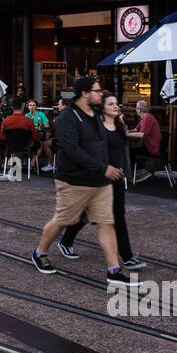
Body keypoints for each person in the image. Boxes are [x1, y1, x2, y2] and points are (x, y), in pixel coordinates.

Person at [31, 77, 134, 286]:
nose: (101, 94)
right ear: (85, 94)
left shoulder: (95, 114)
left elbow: (101, 144)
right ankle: (39, 252)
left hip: (99, 181)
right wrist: (104, 168)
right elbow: (72, 150)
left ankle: (114, 270)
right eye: (97, 91)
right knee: (61, 221)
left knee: (107, 223)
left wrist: (109, 165)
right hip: (74, 180)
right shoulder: (68, 117)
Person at [59, 93, 146, 270]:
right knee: (86, 214)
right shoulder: (95, 128)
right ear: (102, 108)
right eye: (111, 104)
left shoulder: (119, 126)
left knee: (118, 216)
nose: (116, 107)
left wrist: (123, 170)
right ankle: (66, 241)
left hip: (116, 178)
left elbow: (122, 151)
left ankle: (127, 256)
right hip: (98, 177)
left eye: (117, 103)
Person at [0, 99, 38, 175]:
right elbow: (35, 136)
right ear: (22, 107)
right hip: (26, 146)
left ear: (12, 107)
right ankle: (31, 163)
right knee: (38, 144)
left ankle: (5, 162)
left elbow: (2, 137)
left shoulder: (6, 121)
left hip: (10, 146)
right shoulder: (29, 121)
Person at [131, 99, 162, 182]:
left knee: (131, 152)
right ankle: (139, 173)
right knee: (133, 150)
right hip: (151, 147)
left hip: (153, 149)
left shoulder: (147, 118)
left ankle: (134, 175)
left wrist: (126, 134)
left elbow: (141, 134)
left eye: (136, 108)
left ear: (139, 110)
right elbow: (135, 130)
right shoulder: (146, 117)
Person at [27, 99, 54, 173]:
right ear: (28, 107)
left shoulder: (41, 114)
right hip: (28, 136)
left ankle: (32, 163)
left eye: (33, 105)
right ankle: (30, 163)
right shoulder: (27, 115)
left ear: (36, 106)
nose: (32, 107)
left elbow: (47, 125)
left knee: (40, 143)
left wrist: (42, 126)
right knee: (38, 144)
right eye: (30, 105)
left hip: (39, 134)